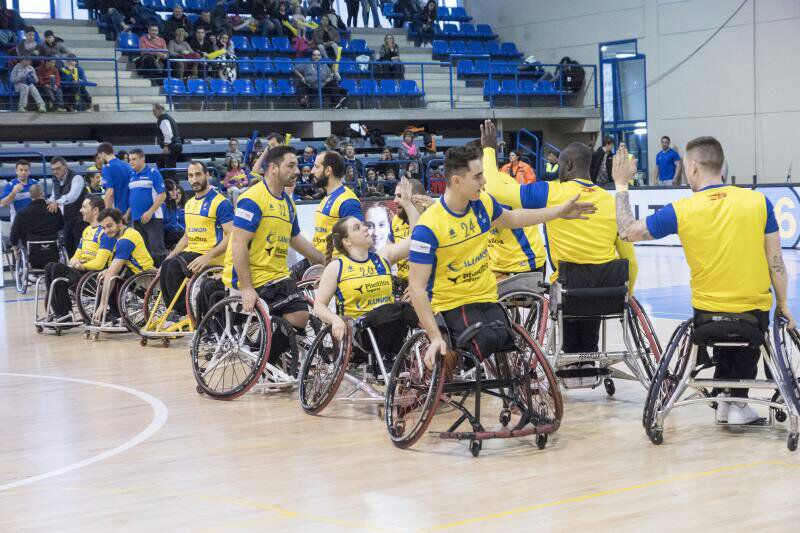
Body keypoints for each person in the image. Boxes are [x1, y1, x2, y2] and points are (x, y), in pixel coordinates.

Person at [613, 137, 795, 424]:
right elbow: (776, 263)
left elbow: (627, 231)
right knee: (748, 323)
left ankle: (728, 400)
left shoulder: (682, 209)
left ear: (694, 166)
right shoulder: (758, 202)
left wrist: (622, 184)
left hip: (706, 316)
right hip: (753, 315)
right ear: (721, 165)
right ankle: (735, 401)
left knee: (721, 323)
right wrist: (783, 304)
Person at [407, 144, 596, 372]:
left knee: (506, 339)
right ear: (456, 181)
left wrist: (558, 212)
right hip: (450, 303)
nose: (484, 182)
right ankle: (447, 364)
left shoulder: (483, 204)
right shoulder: (429, 226)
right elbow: (416, 288)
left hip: (486, 296)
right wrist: (435, 336)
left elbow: (514, 218)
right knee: (485, 340)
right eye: (478, 177)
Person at [504, 136, 638, 387]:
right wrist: (627, 293)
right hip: (608, 292)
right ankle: (588, 358)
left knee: (567, 288)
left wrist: (490, 149)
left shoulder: (554, 192)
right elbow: (629, 258)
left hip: (568, 289)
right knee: (595, 287)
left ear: (567, 165)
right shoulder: (610, 201)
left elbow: (501, 192)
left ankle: (571, 360)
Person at [222, 146, 324, 357]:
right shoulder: (252, 199)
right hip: (253, 279)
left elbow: (296, 239)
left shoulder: (287, 203)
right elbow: (238, 243)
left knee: (299, 316)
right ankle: (264, 358)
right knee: (299, 315)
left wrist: (326, 262)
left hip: (276, 278)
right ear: (273, 168)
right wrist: (247, 288)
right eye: (291, 165)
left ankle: (265, 358)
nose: (297, 171)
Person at [313, 182, 421, 370]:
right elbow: (318, 306)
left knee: (408, 308)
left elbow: (417, 239)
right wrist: (335, 320)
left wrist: (409, 205)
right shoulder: (336, 267)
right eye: (357, 227)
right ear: (347, 241)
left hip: (391, 326)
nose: (365, 228)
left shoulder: (383, 257)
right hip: (360, 335)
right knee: (397, 309)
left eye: (363, 225)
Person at [160, 161, 232, 316]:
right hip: (192, 253)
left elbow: (232, 235)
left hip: (211, 256)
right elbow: (186, 237)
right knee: (167, 264)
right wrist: (170, 255)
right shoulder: (189, 204)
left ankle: (182, 314)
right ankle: (171, 311)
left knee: (174, 267)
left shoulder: (221, 203)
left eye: (198, 174)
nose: (194, 179)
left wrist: (209, 255)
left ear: (207, 175)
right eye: (190, 176)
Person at [479, 122, 548, 281]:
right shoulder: (477, 186)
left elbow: (487, 218)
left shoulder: (501, 183)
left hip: (523, 262)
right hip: (497, 263)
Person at [44, 196, 115, 318]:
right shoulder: (87, 230)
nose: (80, 210)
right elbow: (76, 255)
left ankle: (64, 314)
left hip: (94, 277)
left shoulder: (104, 232)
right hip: (81, 272)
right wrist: (75, 261)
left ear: (95, 210)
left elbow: (100, 264)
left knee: (56, 269)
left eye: (84, 207)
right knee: (49, 266)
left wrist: (81, 265)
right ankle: (60, 312)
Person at [93, 208, 155, 324]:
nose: (106, 231)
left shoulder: (126, 240)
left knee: (113, 276)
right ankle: (112, 313)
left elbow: (113, 272)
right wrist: (108, 270)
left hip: (146, 281)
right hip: (137, 277)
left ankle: (111, 312)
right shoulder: (125, 235)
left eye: (109, 226)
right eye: (103, 228)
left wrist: (102, 304)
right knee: (110, 273)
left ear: (120, 223)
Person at [388, 178, 426, 293]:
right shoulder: (395, 220)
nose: (394, 201)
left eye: (399, 196)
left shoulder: (432, 218)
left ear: (416, 197)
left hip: (428, 284)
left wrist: (420, 286)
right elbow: (390, 253)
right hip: (403, 284)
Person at [128, 148, 167, 263]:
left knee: (157, 251)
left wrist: (150, 212)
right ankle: (149, 278)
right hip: (136, 219)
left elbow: (162, 195)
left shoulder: (153, 173)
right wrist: (127, 213)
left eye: (134, 159)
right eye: (130, 160)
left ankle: (162, 277)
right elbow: (133, 198)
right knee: (144, 252)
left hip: (153, 218)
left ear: (142, 159)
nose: (131, 162)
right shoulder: (131, 175)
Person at [48, 156, 88, 257]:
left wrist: (56, 202)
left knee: (79, 246)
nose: (56, 172)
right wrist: (49, 202)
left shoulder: (77, 177)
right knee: (68, 244)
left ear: (65, 166)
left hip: (81, 218)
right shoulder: (55, 180)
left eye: (58, 168)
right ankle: (72, 269)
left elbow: (72, 196)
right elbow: (53, 196)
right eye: (53, 169)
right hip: (67, 218)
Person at [10, 184, 64, 252]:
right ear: (42, 193)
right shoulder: (54, 209)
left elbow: (14, 234)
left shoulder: (22, 213)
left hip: (32, 249)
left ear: (30, 195)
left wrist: (15, 248)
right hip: (52, 248)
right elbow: (61, 226)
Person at [97, 142, 132, 219]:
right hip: (131, 210)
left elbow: (110, 192)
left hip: (118, 212)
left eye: (100, 156)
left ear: (103, 154)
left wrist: (105, 214)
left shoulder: (107, 167)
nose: (100, 159)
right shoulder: (128, 165)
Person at [153, 103, 183, 180]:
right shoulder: (167, 118)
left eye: (154, 111)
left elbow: (168, 134)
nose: (153, 113)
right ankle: (167, 181)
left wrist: (166, 146)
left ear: (160, 110)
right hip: (176, 145)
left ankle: (172, 184)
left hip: (171, 146)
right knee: (162, 162)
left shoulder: (163, 118)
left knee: (169, 168)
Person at [162, 179, 186, 249]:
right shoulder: (162, 205)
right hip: (163, 235)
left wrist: (183, 230)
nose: (174, 192)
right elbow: (161, 225)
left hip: (172, 232)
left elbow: (175, 222)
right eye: (171, 190)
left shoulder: (173, 204)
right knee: (186, 236)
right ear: (165, 191)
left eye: (175, 190)